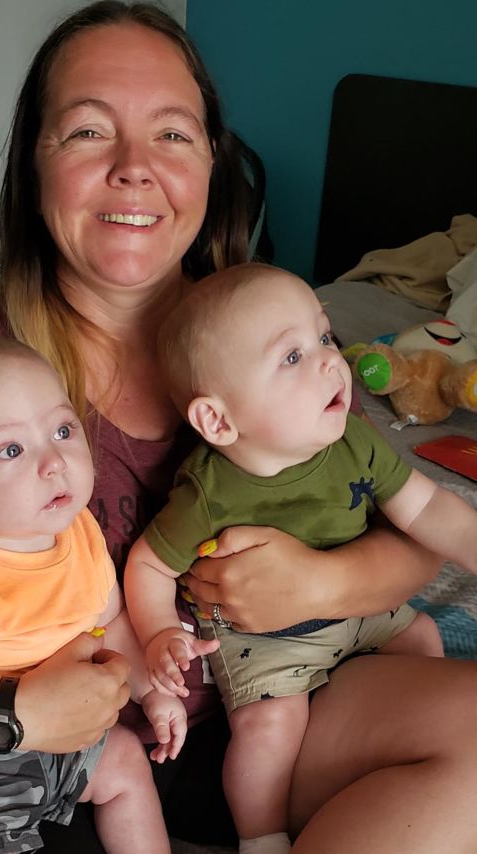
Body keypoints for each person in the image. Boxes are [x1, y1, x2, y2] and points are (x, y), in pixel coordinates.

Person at [0, 2, 477, 852]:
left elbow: (413, 526)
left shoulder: (270, 331)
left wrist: (323, 586)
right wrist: (7, 711)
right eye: (88, 132)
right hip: (68, 765)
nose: (135, 168)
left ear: (212, 161)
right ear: (34, 165)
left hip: (280, 705)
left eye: (172, 134)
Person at [125, 262, 477, 853]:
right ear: (218, 420)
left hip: (360, 613)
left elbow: (429, 509)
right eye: (291, 357)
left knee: (423, 636)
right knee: (269, 728)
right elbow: (149, 564)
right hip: (268, 643)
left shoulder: (354, 441)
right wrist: (159, 630)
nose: (329, 361)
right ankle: (261, 836)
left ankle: (398, 742)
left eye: (324, 335)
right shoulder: (209, 491)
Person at [0, 336, 191, 854]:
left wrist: (150, 691)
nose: (54, 462)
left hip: (64, 741)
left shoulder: (78, 530)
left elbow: (111, 622)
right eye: (12, 449)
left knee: (126, 761)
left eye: (62, 430)